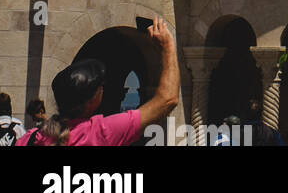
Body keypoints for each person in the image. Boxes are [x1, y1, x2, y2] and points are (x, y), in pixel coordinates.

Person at [20, 17, 179, 146]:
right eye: (101, 87)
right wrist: (168, 47)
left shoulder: (30, 138)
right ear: (92, 101)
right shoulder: (101, 132)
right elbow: (167, 99)